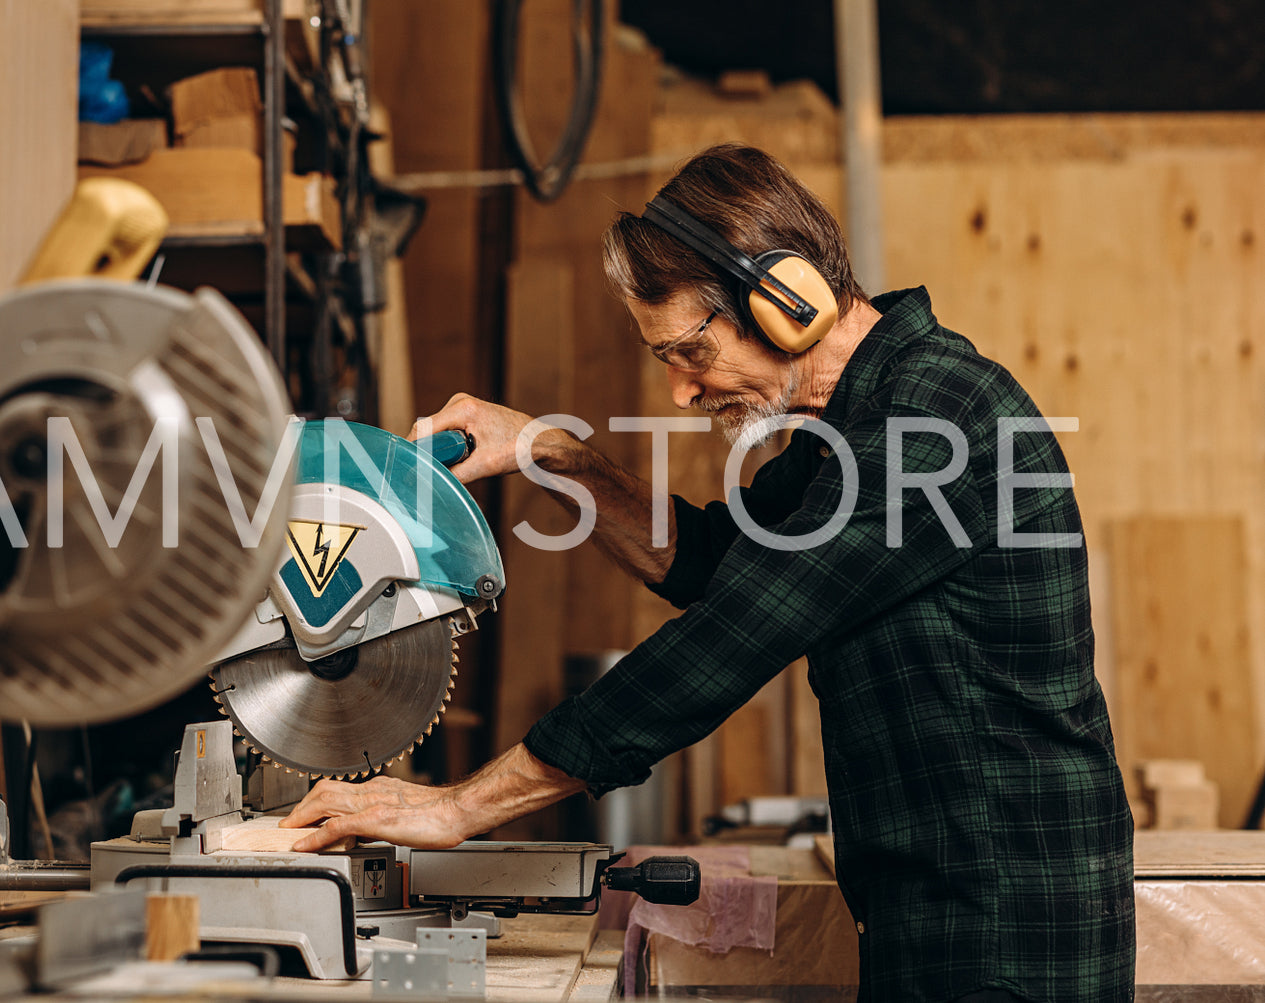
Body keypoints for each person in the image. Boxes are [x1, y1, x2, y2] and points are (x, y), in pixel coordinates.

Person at [281, 143, 1135, 1002]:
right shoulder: (852, 429)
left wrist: (456, 808)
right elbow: (713, 563)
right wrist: (558, 458)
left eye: (689, 350)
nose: (683, 395)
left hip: (1006, 928)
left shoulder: (932, 420)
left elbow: (735, 635)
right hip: (941, 908)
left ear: (783, 300)